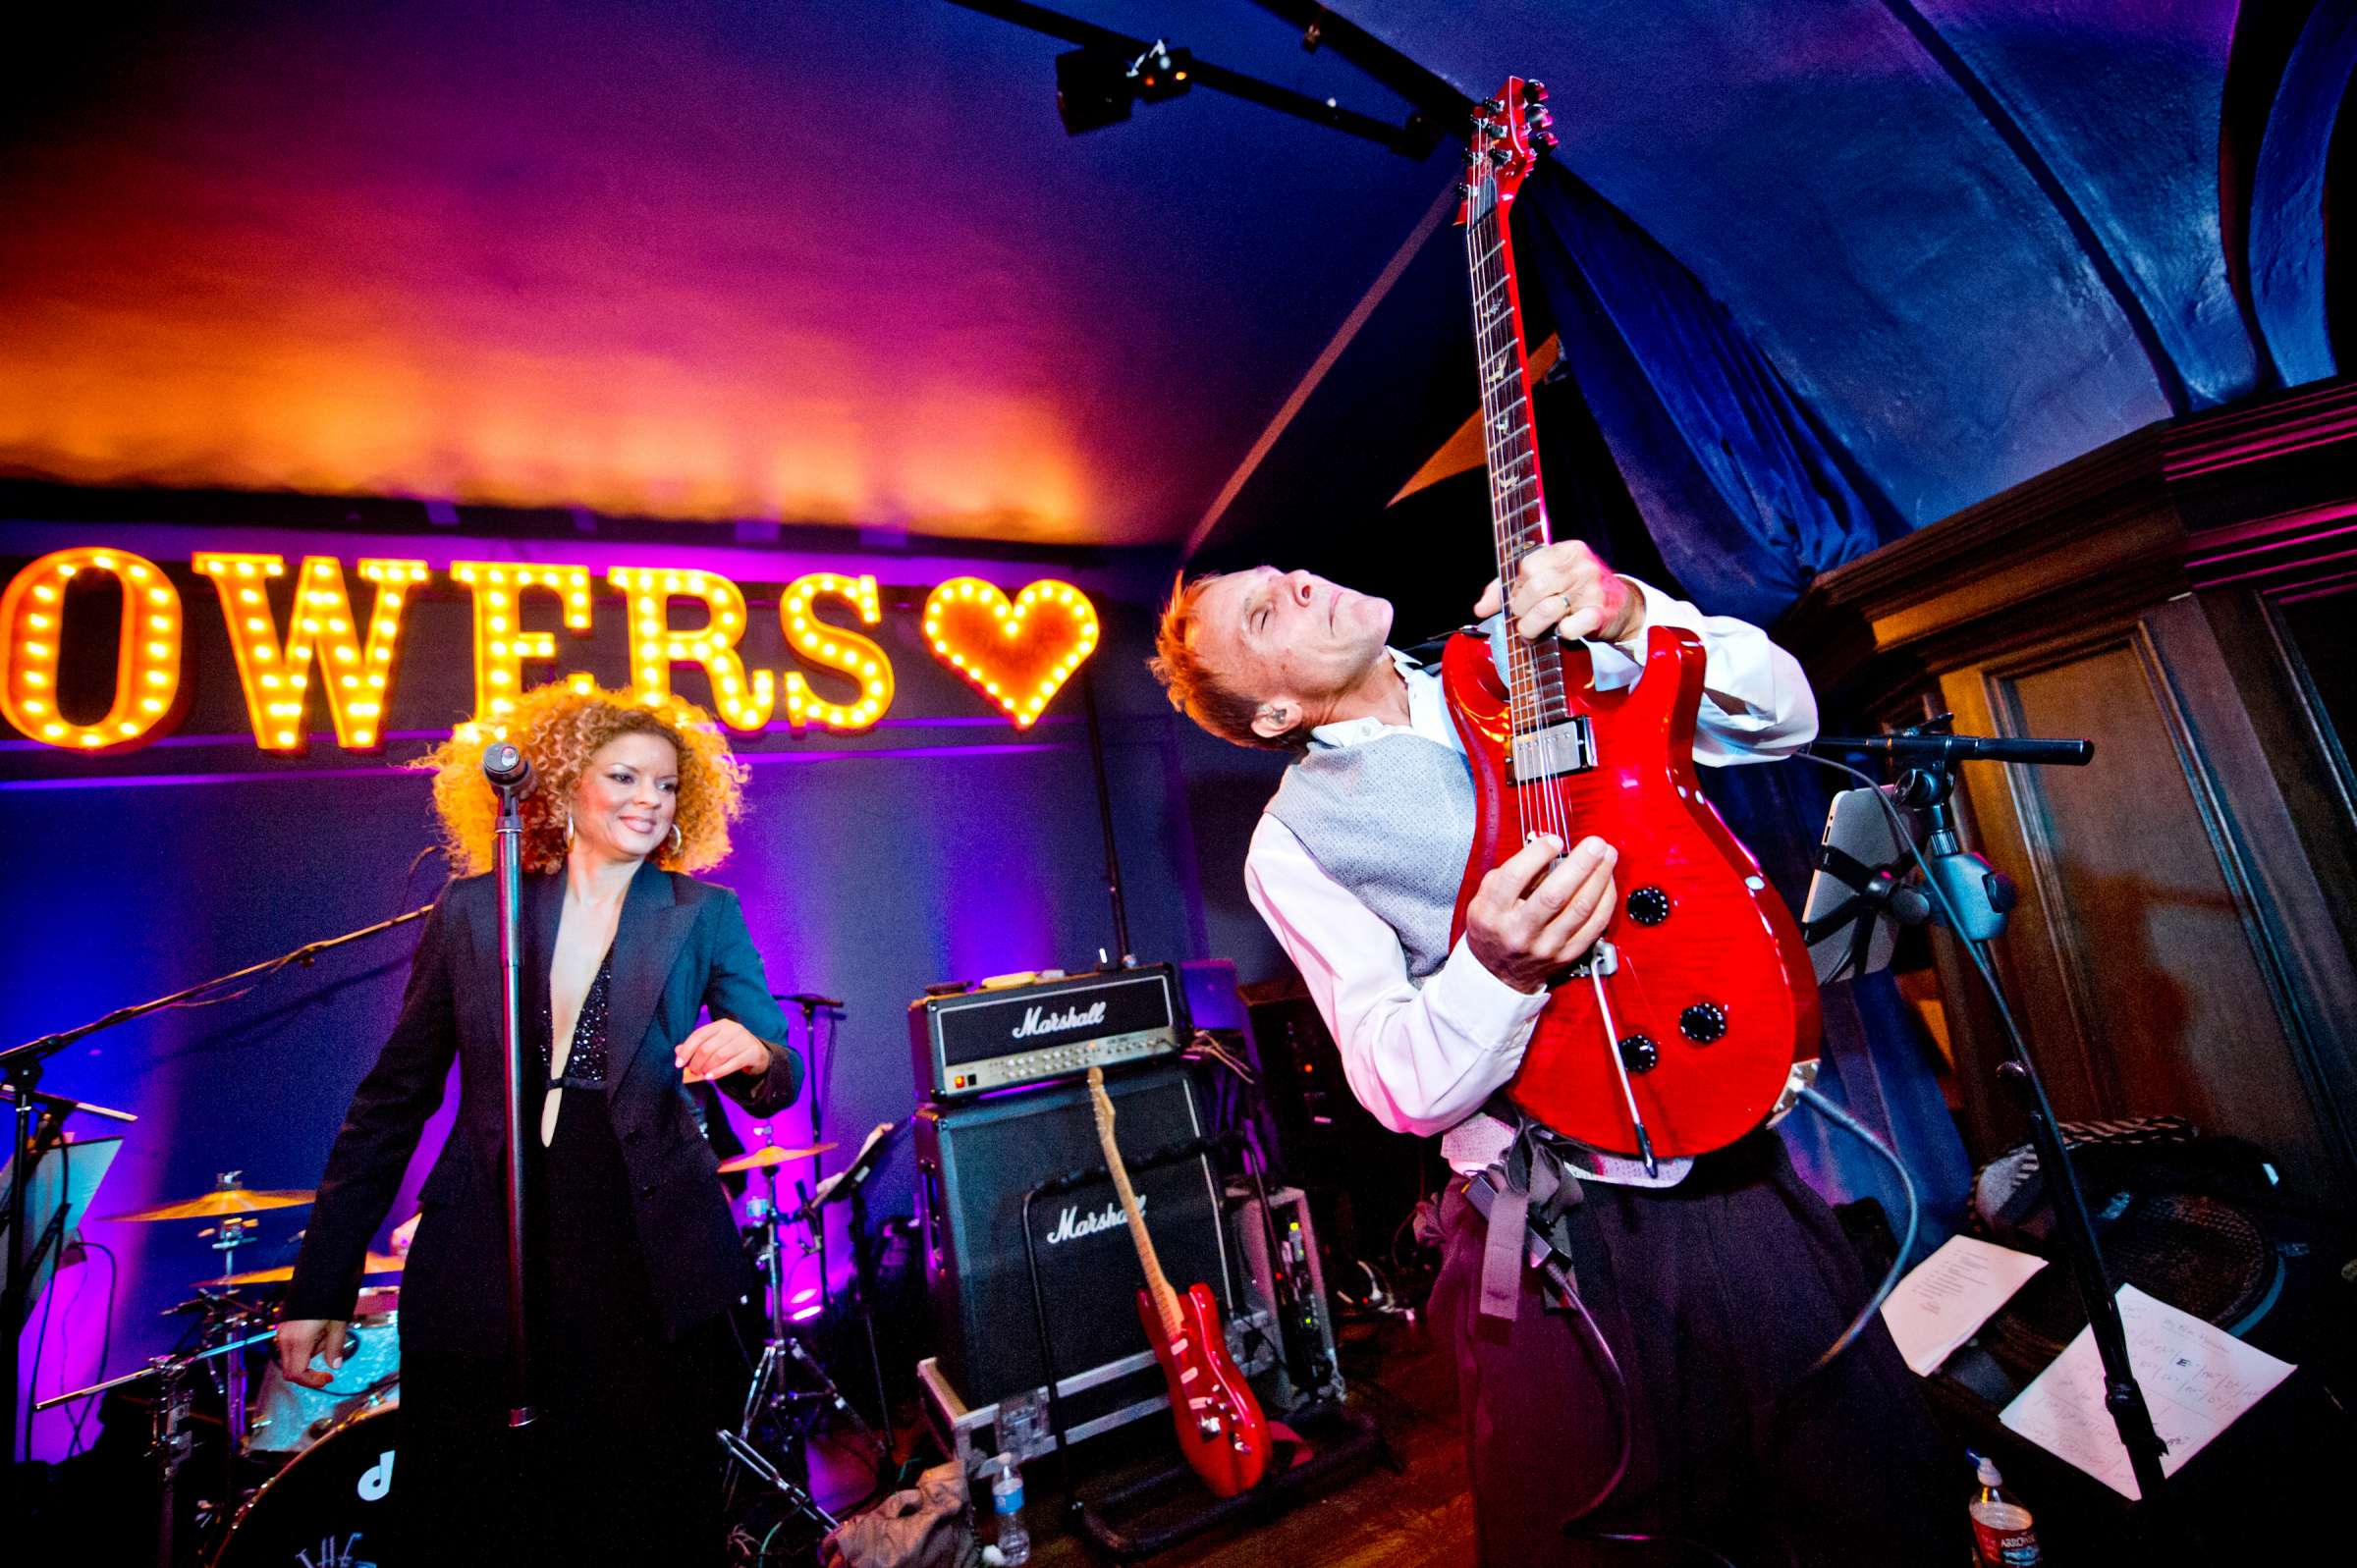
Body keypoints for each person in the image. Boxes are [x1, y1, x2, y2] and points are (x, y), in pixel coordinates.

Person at [1151, 542, 1962, 1566]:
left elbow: (1787, 718)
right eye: (1265, 618)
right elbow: (1396, 1084)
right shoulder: (1293, 845)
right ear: (1271, 716)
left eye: (1285, 576)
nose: (1299, 586)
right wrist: (1495, 967)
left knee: (1870, 1499)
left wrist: (1629, 615)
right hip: (1550, 1231)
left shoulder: (1528, 648)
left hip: (1728, 1170)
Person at [279, 683, 802, 1565]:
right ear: (560, 787)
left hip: (640, 1247)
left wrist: (752, 1051)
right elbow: (390, 1102)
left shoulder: (701, 914)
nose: (649, 798)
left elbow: (777, 1070)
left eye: (667, 785)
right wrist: (320, 1284)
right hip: (486, 1245)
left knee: (633, 1510)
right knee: (475, 1510)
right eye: (625, 776)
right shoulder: (476, 909)